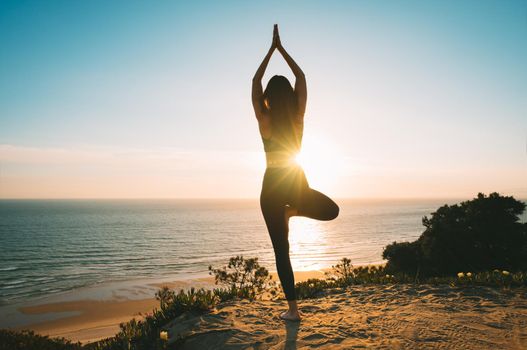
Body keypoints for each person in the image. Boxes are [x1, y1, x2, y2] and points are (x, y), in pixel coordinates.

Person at [251, 24, 340, 321]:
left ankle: (293, 311)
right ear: (289, 96)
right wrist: (281, 49)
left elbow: (255, 81)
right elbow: (301, 77)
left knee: (281, 250)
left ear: (268, 99)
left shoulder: (264, 120)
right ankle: (295, 211)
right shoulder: (298, 119)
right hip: (296, 178)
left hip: (272, 184)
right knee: (332, 210)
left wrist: (269, 50)